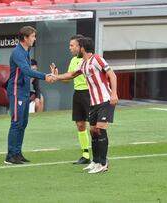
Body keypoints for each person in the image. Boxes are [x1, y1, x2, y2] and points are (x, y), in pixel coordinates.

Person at [51, 37, 118, 174]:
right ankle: (96, 161)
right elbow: (72, 74)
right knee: (93, 131)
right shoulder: (83, 63)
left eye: (75, 46)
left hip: (105, 100)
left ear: (82, 47)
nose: (73, 49)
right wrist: (56, 77)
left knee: (100, 130)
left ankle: (103, 163)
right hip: (93, 103)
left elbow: (112, 75)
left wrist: (114, 94)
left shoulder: (97, 59)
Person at [5, 26, 54, 164]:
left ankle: (17, 153)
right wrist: (46, 76)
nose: (34, 39)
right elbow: (27, 70)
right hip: (16, 91)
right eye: (32, 36)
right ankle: (10, 156)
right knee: (16, 123)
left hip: (24, 91)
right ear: (25, 38)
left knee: (23, 123)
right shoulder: (17, 52)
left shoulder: (26, 50)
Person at [62, 34, 91, 164]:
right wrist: (57, 76)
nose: (70, 48)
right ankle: (85, 154)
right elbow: (68, 79)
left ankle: (100, 155)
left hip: (89, 94)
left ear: (80, 47)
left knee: (95, 126)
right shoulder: (73, 60)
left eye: (72, 45)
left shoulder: (89, 59)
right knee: (80, 124)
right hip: (78, 94)